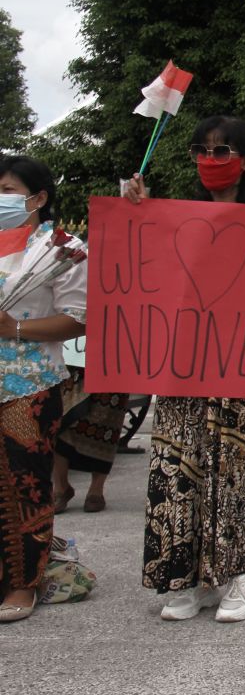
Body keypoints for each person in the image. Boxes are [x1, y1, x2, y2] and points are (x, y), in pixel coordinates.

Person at [123, 115, 245, 623]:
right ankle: (185, 577)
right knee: (180, 466)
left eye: (222, 151)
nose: (210, 161)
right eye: (201, 151)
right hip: (184, 366)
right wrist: (134, 214)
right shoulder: (171, 217)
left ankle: (240, 575)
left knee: (242, 468)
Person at [0, 154, 87, 623]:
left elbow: (77, 319)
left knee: (26, 485)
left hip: (27, 385)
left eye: (7, 190)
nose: (0, 198)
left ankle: (23, 582)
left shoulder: (58, 249)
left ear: (37, 198)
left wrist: (13, 328)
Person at [52, 367, 130, 513]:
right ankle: (61, 487)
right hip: (73, 363)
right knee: (60, 424)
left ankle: (96, 489)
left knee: (107, 426)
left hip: (114, 363)